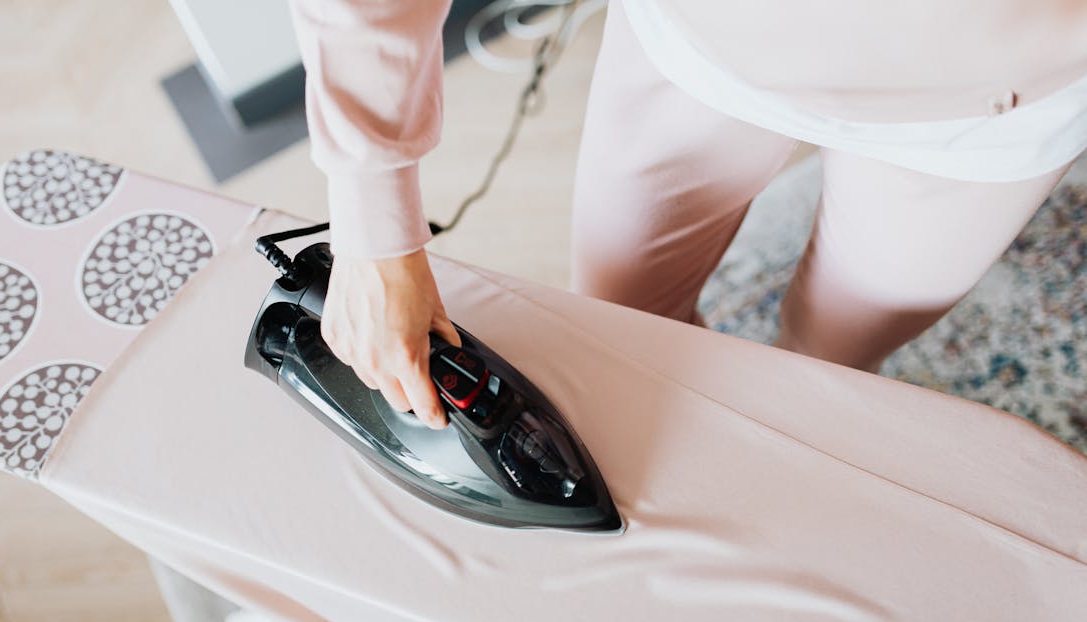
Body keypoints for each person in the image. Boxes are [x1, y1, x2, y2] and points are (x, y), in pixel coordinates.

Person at [287, 0, 1087, 429]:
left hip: (984, 109)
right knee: (615, 328)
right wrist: (372, 224)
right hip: (703, 40)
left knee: (824, 372)